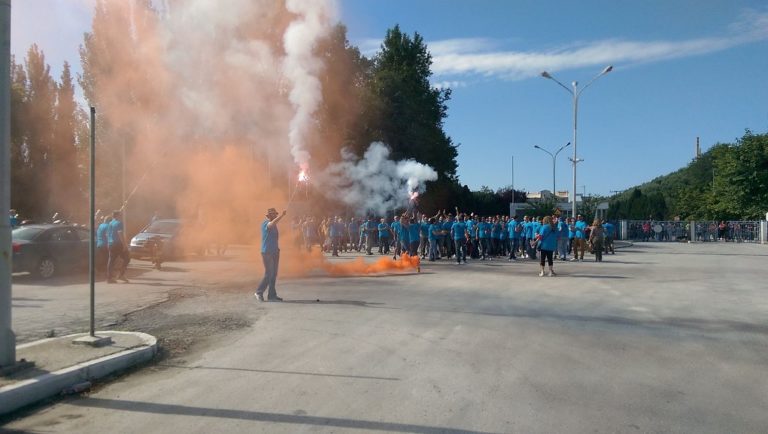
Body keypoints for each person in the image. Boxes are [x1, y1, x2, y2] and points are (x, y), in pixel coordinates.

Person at [255, 208, 287, 302]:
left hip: (274, 252)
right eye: (272, 214)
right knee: (269, 274)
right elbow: (271, 224)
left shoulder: (274, 225)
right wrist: (282, 216)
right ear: (269, 216)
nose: (274, 215)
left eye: (275, 214)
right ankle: (258, 292)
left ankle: (272, 295)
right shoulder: (266, 223)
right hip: (267, 252)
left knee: (274, 274)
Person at [107, 210, 130, 283]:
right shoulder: (119, 223)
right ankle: (121, 275)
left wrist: (109, 242)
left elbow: (107, 234)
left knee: (111, 261)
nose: (122, 216)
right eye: (120, 215)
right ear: (117, 215)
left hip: (111, 243)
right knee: (127, 258)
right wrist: (125, 245)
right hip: (118, 244)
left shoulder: (110, 223)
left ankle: (109, 278)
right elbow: (120, 234)